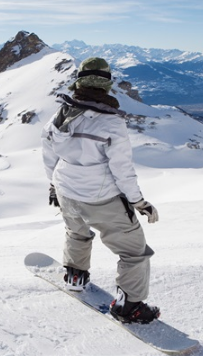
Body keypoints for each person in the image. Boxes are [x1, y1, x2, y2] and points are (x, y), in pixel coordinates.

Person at [41, 57, 160, 324]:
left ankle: (75, 274)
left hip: (65, 189)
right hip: (100, 196)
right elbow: (122, 169)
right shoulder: (111, 123)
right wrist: (138, 202)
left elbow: (48, 154)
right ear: (106, 85)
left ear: (79, 82)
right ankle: (131, 307)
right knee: (134, 252)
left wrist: (53, 185)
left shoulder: (60, 116)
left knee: (77, 231)